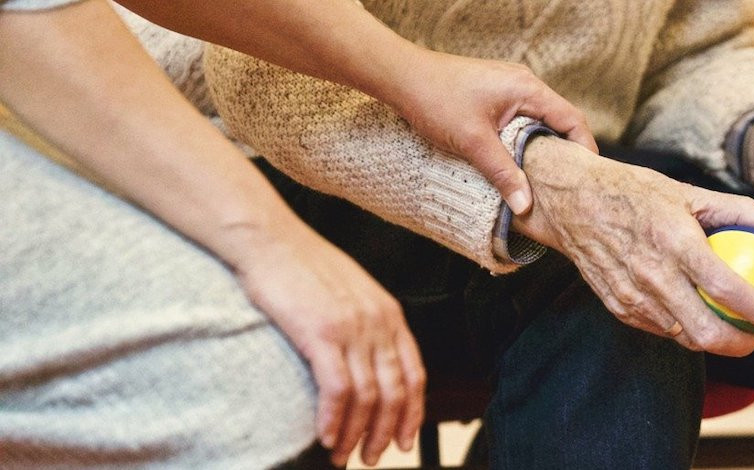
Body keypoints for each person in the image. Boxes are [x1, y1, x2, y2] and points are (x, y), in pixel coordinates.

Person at [205, 0, 754, 468]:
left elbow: (698, 44)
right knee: (619, 285)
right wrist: (542, 179)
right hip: (302, 172)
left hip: (596, 166)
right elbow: (265, 74)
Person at [0, 0, 597, 467]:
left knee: (610, 289)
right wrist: (272, 242)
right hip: (229, 141)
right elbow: (240, 70)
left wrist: (421, 78)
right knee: (249, 389)